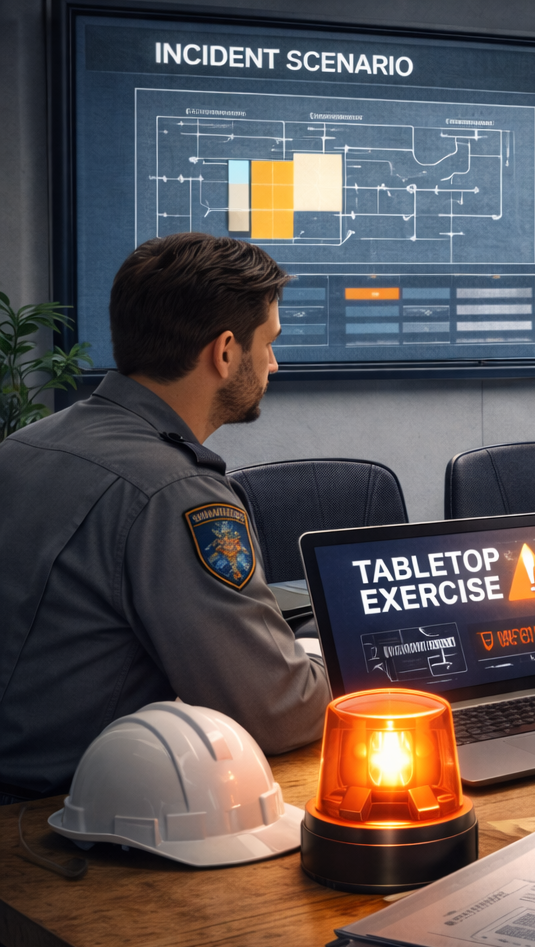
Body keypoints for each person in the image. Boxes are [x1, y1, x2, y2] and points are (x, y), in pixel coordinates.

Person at [0, 232, 330, 804]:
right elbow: (279, 713)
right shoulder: (178, 494)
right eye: (268, 343)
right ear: (225, 352)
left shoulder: (25, 446)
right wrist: (379, 665)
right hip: (71, 823)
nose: (274, 363)